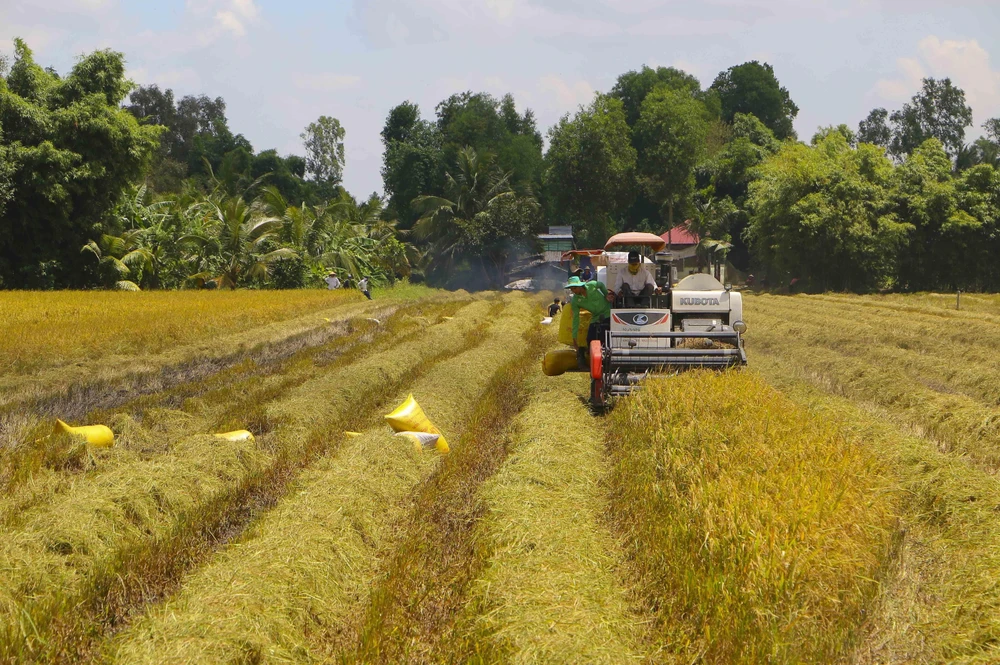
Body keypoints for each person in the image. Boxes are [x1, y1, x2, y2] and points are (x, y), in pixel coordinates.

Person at [566, 275, 611, 369]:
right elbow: (576, 318)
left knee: (605, 335)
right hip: (595, 317)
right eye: (571, 289)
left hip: (608, 313)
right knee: (590, 338)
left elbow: (601, 284)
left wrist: (606, 294)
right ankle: (589, 362)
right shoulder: (575, 301)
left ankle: (608, 360)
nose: (573, 291)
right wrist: (574, 337)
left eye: (574, 288)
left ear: (580, 286)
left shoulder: (591, 285)